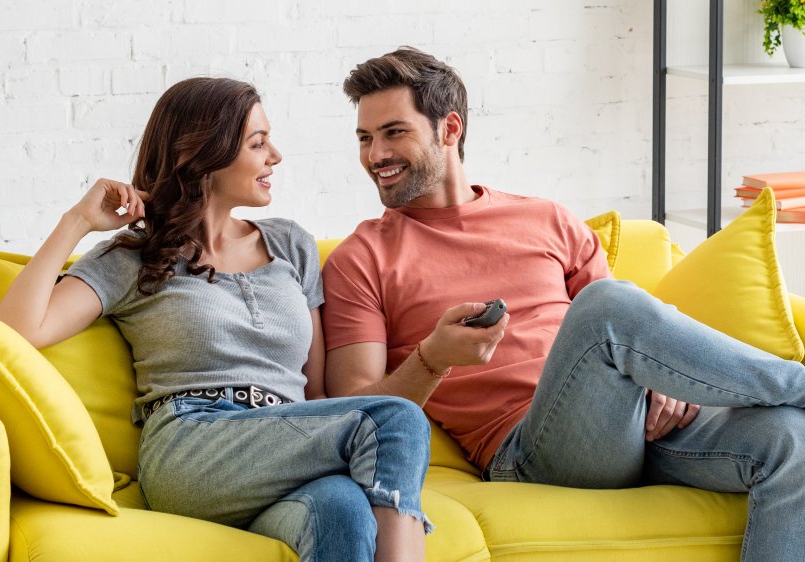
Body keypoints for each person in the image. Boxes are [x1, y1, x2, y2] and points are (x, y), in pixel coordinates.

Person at [321, 47, 805, 562]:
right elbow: (354, 412)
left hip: (638, 425)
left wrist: (670, 382)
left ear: (450, 129)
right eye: (365, 138)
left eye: (394, 132)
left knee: (793, 440)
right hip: (531, 450)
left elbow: (645, 333)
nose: (375, 155)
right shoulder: (362, 259)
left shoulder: (546, 219)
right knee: (604, 307)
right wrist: (432, 358)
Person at [0, 76, 432, 562]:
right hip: (193, 447)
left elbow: (317, 395)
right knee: (396, 419)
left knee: (343, 511)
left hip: (284, 449)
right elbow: (13, 334)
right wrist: (76, 222)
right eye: (258, 143)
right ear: (206, 154)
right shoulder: (136, 257)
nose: (275, 157)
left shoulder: (291, 245)